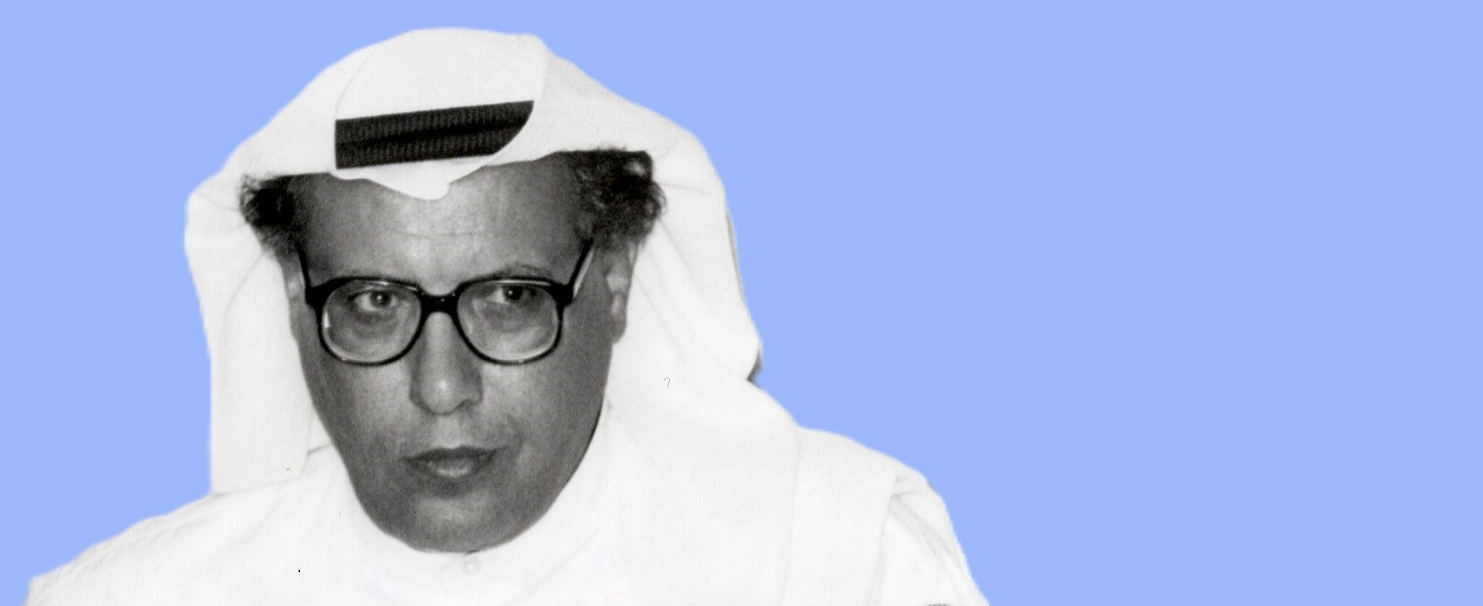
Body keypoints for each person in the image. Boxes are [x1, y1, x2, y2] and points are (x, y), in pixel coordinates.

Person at [26, 28, 988, 605]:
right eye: (373, 302)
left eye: (511, 297)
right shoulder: (129, 598)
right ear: (293, 301)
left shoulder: (839, 566)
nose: (443, 389)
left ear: (612, 280)